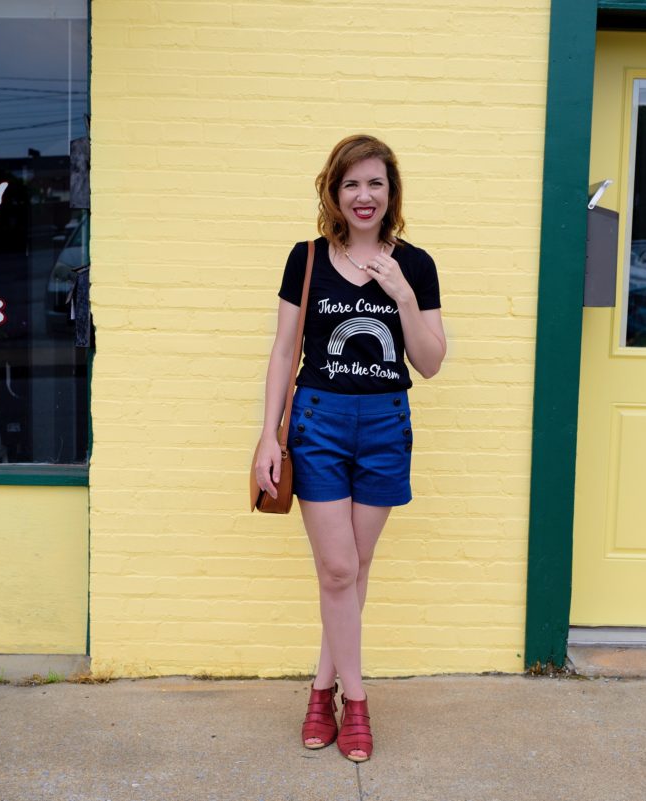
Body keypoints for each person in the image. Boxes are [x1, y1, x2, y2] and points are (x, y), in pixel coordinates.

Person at [253, 134, 447, 762]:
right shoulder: (307, 258)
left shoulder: (415, 265)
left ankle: (321, 689)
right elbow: (284, 352)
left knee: (354, 569)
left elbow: (431, 362)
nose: (364, 196)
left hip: (386, 424)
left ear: (391, 193)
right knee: (339, 569)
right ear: (334, 192)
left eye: (375, 184)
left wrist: (403, 295)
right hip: (319, 423)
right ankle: (355, 703)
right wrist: (267, 436)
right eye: (352, 184)